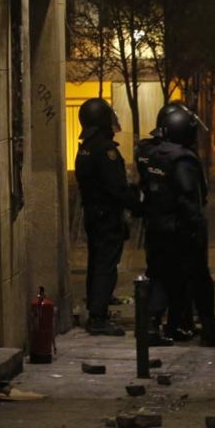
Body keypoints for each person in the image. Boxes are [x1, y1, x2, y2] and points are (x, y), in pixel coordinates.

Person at [137, 102, 215, 347]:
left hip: (157, 227)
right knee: (199, 280)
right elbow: (189, 196)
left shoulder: (152, 154)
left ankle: (155, 326)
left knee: (163, 277)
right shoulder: (183, 160)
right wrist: (196, 229)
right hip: (181, 229)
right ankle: (208, 331)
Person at [74, 98, 136, 336]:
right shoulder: (105, 149)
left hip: (93, 213)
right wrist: (137, 205)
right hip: (106, 215)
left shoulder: (85, 147)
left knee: (96, 261)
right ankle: (99, 317)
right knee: (105, 265)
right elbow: (117, 187)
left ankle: (95, 306)